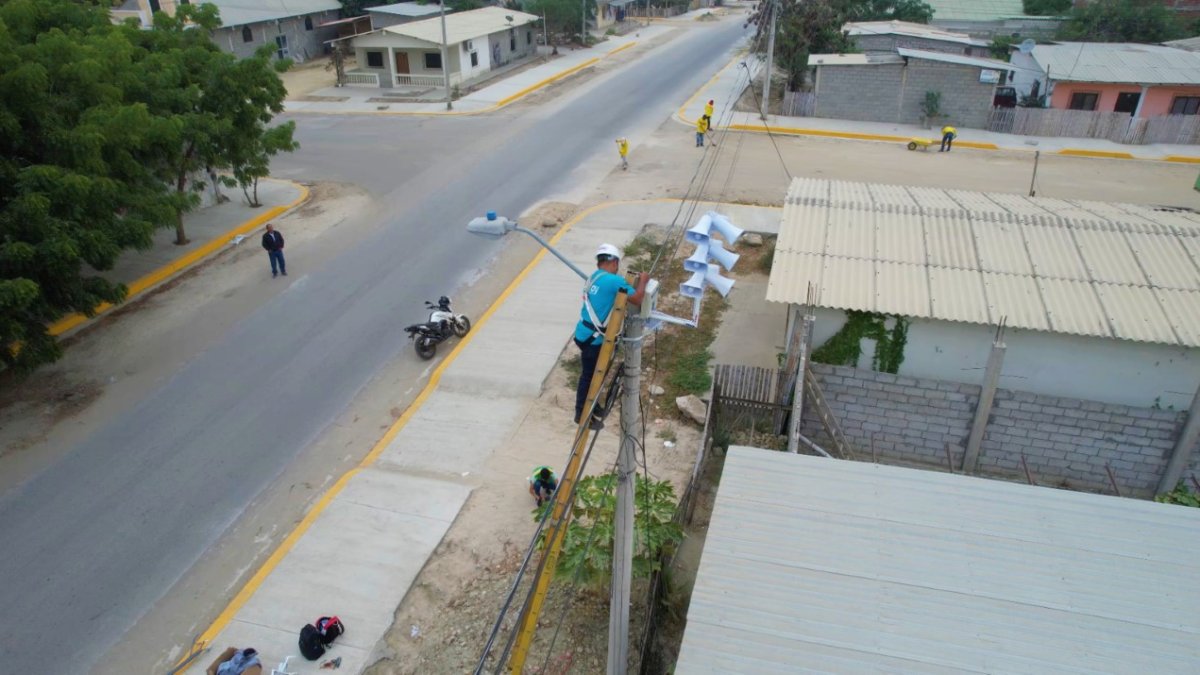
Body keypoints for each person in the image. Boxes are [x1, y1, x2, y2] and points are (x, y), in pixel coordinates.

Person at [574, 244, 649, 427]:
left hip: (585, 333)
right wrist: (644, 281)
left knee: (596, 374)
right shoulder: (612, 281)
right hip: (594, 338)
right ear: (614, 262)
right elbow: (637, 299)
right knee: (590, 376)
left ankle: (593, 406)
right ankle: (581, 415)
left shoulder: (595, 277)